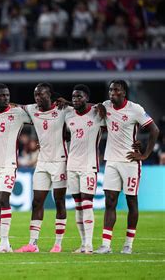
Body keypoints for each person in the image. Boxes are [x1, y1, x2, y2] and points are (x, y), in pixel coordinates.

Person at [95, 80, 159, 254]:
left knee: (132, 202)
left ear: (124, 92)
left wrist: (145, 154)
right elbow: (83, 107)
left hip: (130, 162)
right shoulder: (105, 106)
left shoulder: (135, 109)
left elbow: (154, 130)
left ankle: (128, 244)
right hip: (111, 162)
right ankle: (106, 245)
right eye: (110, 90)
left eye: (116, 90)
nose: (112, 92)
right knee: (110, 202)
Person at [16, 83, 71, 253]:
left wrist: (68, 102)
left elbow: (83, 108)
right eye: (36, 95)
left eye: (41, 95)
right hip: (42, 162)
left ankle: (58, 244)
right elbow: (13, 107)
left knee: (59, 201)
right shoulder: (32, 109)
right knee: (37, 201)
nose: (38, 98)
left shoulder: (63, 110)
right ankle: (33, 244)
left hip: (60, 162)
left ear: (50, 96)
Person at [0, 84, 32, 253]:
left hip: (9, 164)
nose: (5, 98)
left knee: (4, 199)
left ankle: (4, 243)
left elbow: (38, 116)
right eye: (1, 95)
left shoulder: (18, 113)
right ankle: (5, 243)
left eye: (7, 95)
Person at [64, 85, 105, 254]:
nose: (76, 100)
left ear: (87, 98)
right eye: (73, 97)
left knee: (87, 204)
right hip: (72, 165)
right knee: (78, 205)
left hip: (89, 165)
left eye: (79, 97)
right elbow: (66, 135)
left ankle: (89, 244)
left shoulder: (97, 113)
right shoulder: (69, 115)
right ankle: (83, 244)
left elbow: (114, 115)